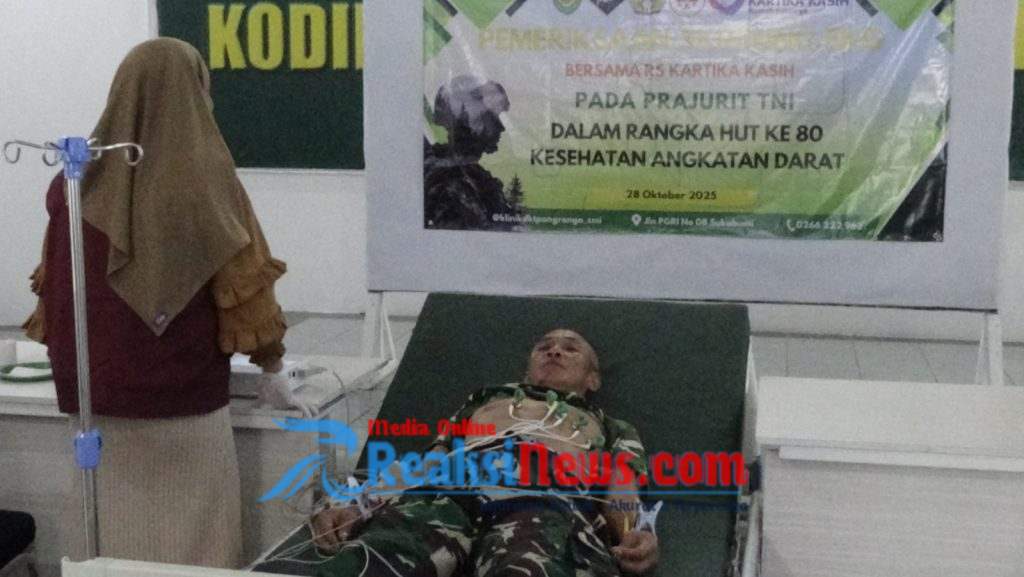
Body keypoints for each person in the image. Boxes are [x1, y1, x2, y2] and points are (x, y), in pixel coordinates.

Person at [22, 38, 290, 568]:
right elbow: (246, 291)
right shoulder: (208, 181)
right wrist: (273, 365)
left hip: (95, 403)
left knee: (111, 541)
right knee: (196, 548)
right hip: (184, 403)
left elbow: (54, 288)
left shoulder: (72, 184)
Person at [310, 329, 659, 576]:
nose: (554, 351)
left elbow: (622, 484)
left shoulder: (612, 427)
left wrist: (633, 532)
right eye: (544, 347)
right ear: (527, 370)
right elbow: (432, 460)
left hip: (547, 501)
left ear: (593, 379)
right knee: (370, 562)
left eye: (571, 349)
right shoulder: (484, 401)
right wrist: (357, 504)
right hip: (448, 492)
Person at [424, 75, 519, 231]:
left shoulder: (473, 176)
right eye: (492, 118)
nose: (502, 128)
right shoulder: (450, 184)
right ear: (467, 120)